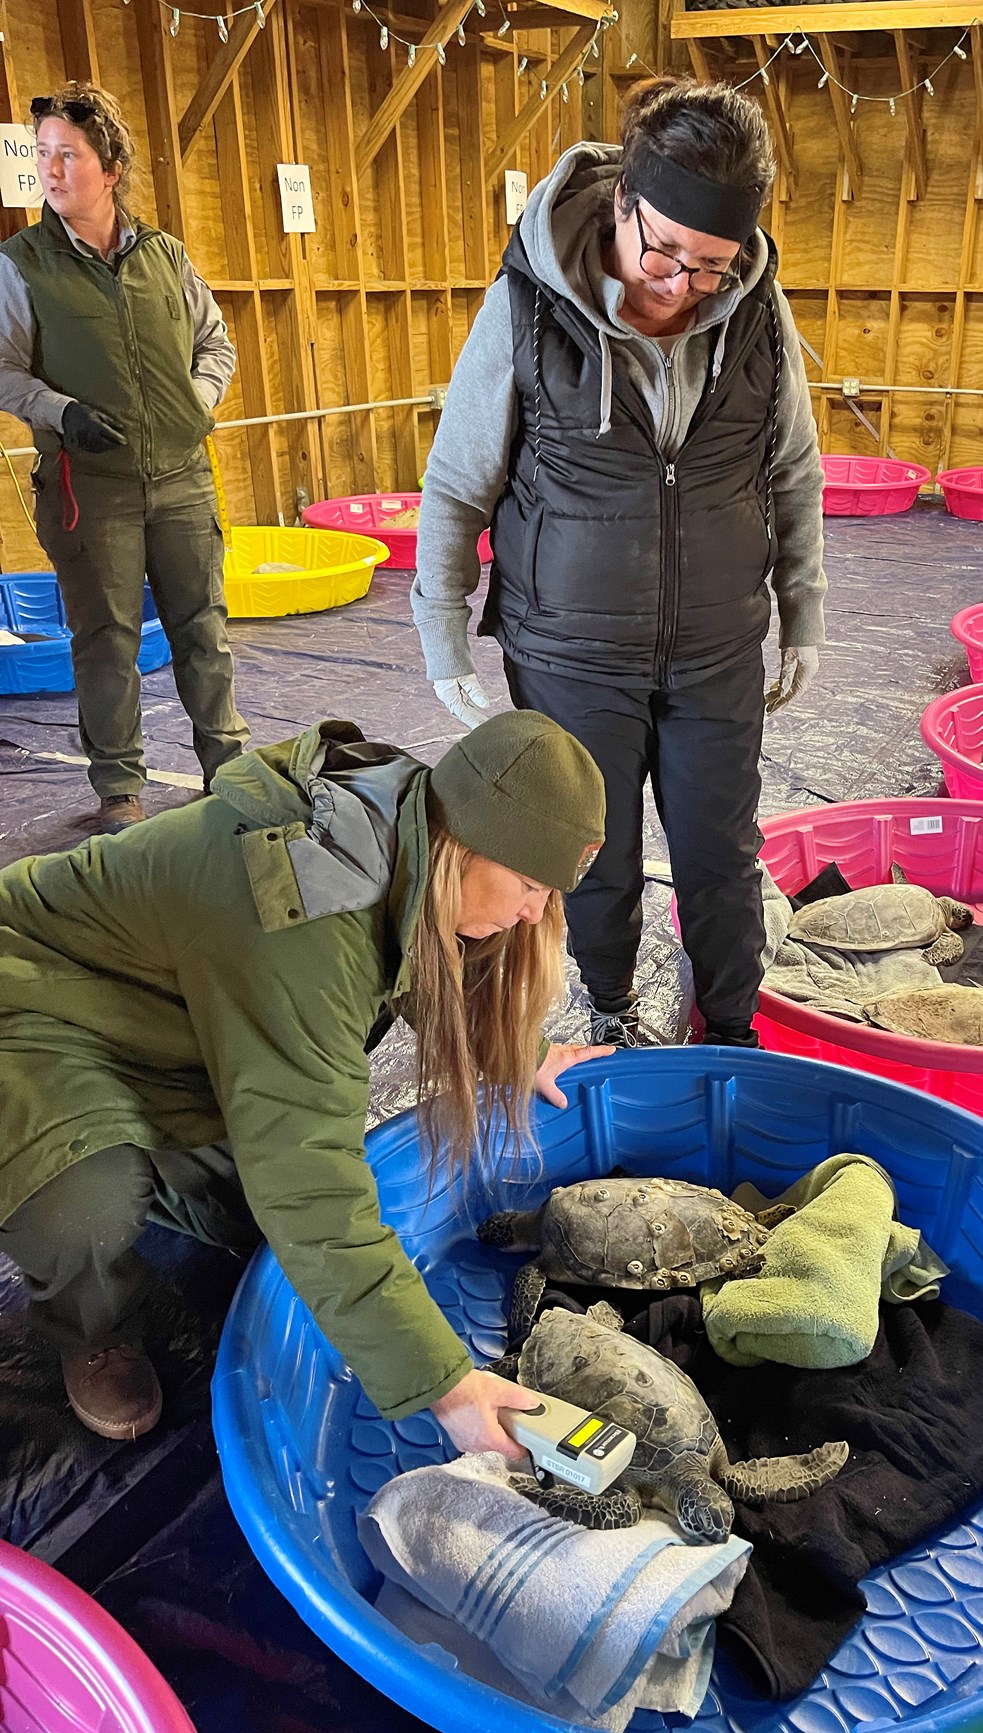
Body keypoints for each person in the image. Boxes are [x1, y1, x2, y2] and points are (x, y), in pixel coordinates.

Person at [0, 710, 611, 1444]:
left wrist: (520, 1052)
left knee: (253, 1219)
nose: (531, 913)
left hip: (169, 1022)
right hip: (33, 999)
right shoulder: (308, 901)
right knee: (84, 1204)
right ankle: (91, 1323)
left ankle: (152, 1151)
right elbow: (307, 1178)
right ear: (468, 840)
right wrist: (442, 1383)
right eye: (526, 884)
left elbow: (429, 961)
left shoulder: (418, 824)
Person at [412, 77, 826, 1051]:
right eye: (663, 253)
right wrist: (442, 636)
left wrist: (801, 608)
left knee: (720, 852)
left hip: (716, 638)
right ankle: (608, 1007)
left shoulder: (759, 317)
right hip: (568, 645)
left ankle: (727, 1027)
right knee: (591, 852)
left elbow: (794, 469)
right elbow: (456, 480)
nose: (680, 284)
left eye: (712, 266)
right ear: (624, 207)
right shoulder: (525, 305)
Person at [0, 81, 248, 835]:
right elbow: (4, 367)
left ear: (109, 166)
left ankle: (229, 770)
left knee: (202, 625)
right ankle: (120, 790)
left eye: (67, 154)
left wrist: (197, 402)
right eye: (41, 154)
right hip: (89, 487)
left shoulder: (166, 257)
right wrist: (61, 413)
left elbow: (218, 343)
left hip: (180, 481)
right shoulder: (22, 264)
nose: (51, 169)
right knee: (104, 637)